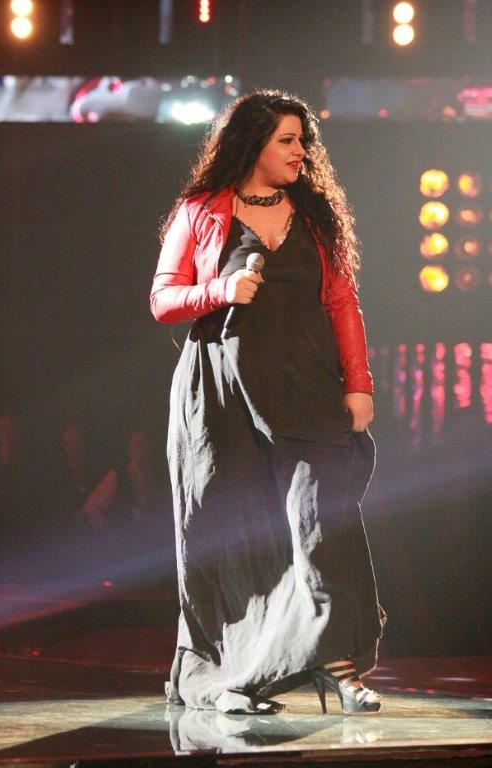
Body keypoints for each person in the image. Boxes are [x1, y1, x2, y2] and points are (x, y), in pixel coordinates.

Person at [150, 90, 386, 715]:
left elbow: (342, 302)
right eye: (286, 140)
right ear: (252, 143)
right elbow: (163, 299)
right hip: (220, 394)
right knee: (230, 532)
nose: (300, 151)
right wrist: (221, 289)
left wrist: (359, 383)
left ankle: (339, 665)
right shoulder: (201, 210)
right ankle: (230, 676)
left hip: (306, 388)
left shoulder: (314, 215)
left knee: (322, 522)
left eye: (303, 140)